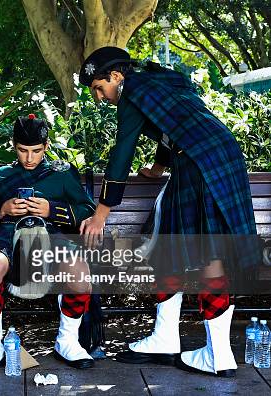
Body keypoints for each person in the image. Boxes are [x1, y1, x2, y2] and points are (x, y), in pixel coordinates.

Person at [78, 47, 258, 377]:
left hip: (198, 162)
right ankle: (166, 337)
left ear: (116, 77)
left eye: (99, 89)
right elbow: (172, 128)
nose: (100, 98)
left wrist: (101, 213)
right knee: (166, 241)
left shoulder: (131, 92)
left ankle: (218, 355)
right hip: (217, 156)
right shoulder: (158, 81)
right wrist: (160, 167)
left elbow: (122, 153)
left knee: (208, 253)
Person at [0, 114, 97, 375]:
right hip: (7, 238)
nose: (29, 158)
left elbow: (87, 211)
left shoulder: (62, 174)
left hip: (53, 237)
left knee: (79, 272)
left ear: (46, 147)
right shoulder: (1, 175)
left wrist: (52, 209)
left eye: (36, 151)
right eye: (23, 150)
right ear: (13, 146)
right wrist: (3, 210)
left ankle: (67, 341)